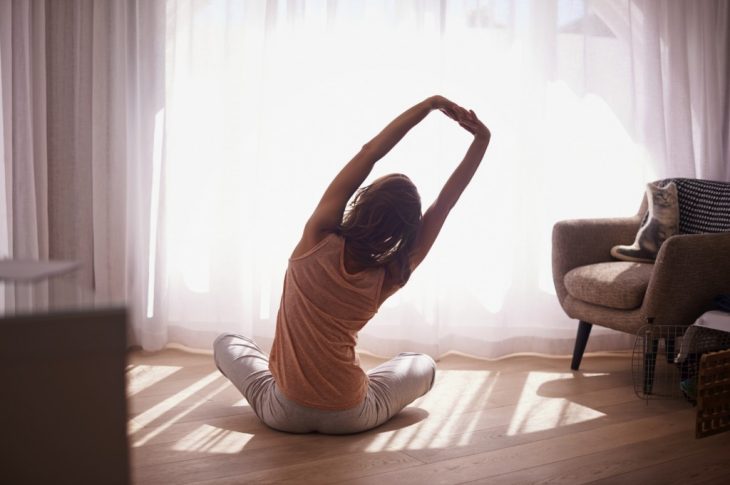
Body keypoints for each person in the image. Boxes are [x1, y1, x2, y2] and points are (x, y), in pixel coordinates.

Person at [214, 95, 490, 434]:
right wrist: (482, 140)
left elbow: (368, 153)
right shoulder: (391, 275)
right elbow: (443, 206)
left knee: (227, 341)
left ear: (364, 199)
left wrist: (428, 106)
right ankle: (352, 385)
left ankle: (297, 381)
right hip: (351, 415)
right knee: (422, 364)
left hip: (282, 411)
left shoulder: (317, 237)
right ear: (405, 232)